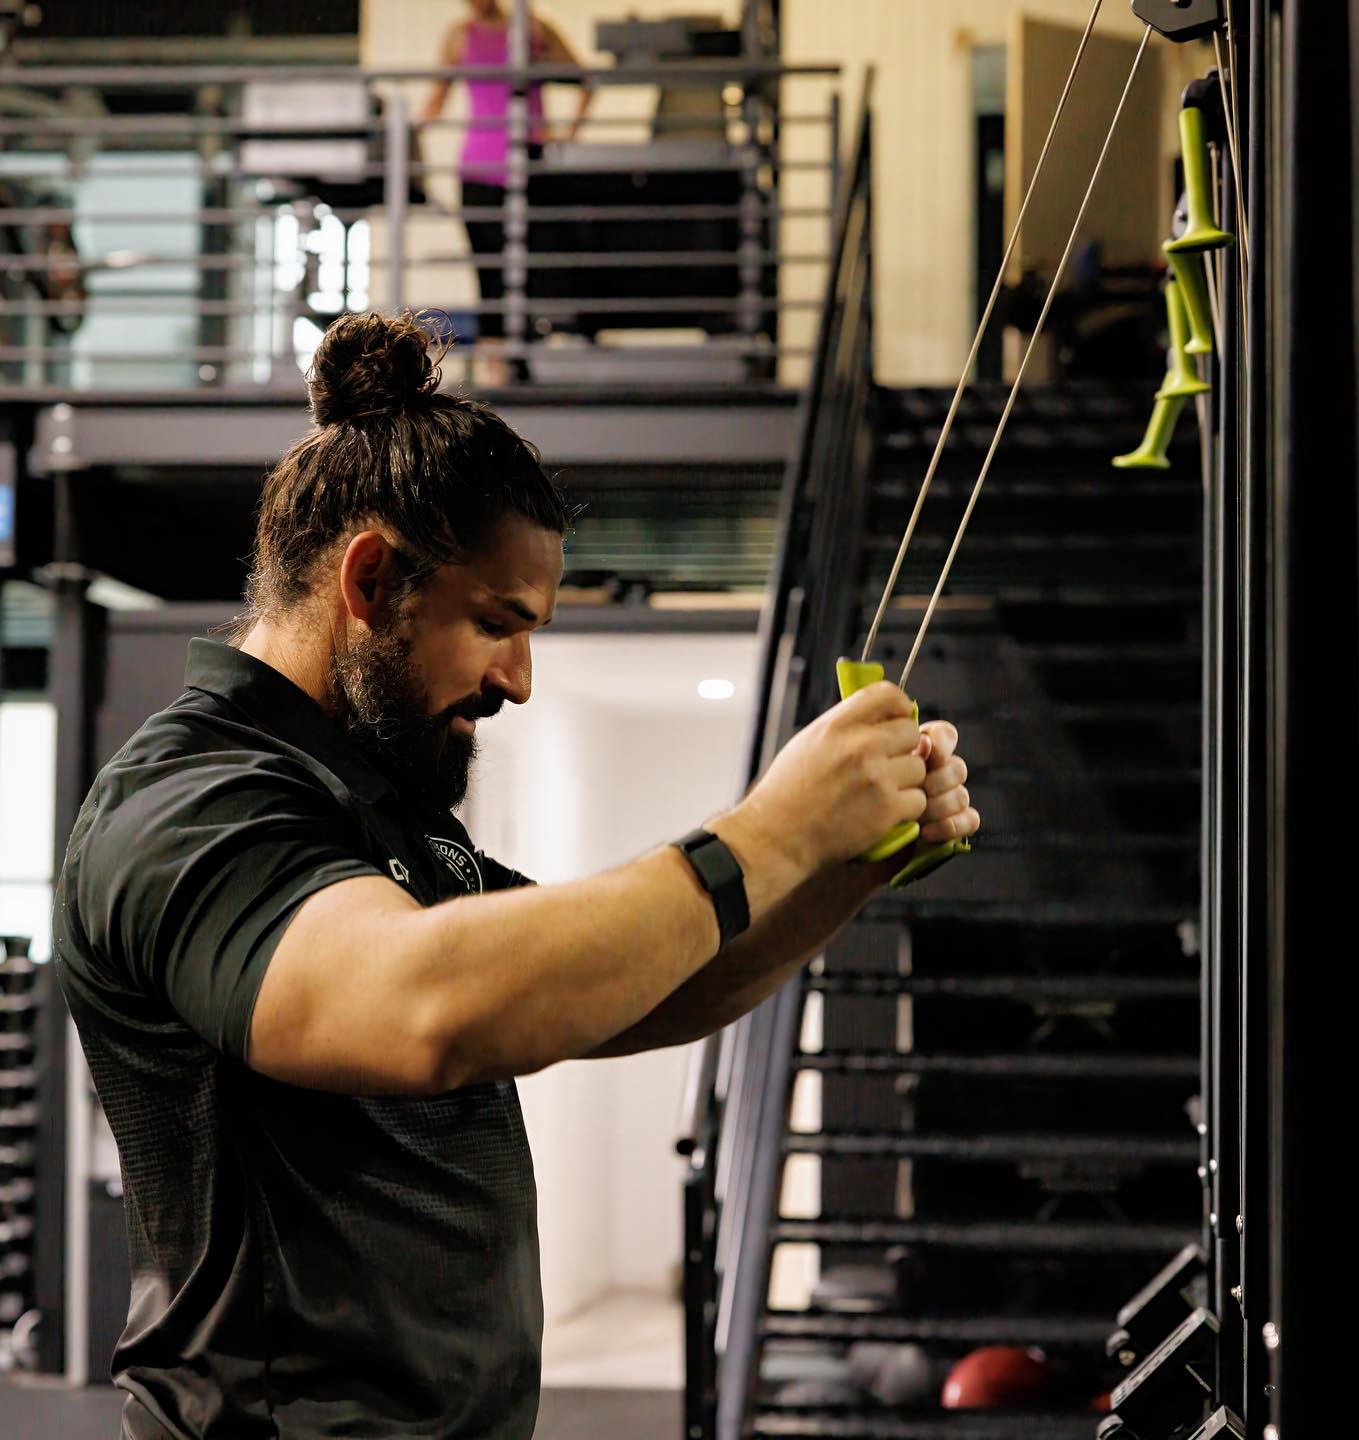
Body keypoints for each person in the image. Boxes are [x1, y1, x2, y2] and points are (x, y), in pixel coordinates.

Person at [53, 310, 979, 1440]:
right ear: (371, 579)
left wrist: (844, 868)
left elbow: (642, 985)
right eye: (498, 623)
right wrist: (773, 832)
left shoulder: (379, 808)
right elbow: (424, 1009)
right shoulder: (193, 800)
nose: (521, 680)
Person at [419, 2, 593, 382]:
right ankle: (495, 363)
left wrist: (566, 136)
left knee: (533, 265)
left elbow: (583, 80)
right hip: (478, 168)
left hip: (528, 162)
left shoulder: (533, 29)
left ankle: (527, 354)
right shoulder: (460, 36)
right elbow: (435, 100)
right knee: (489, 270)